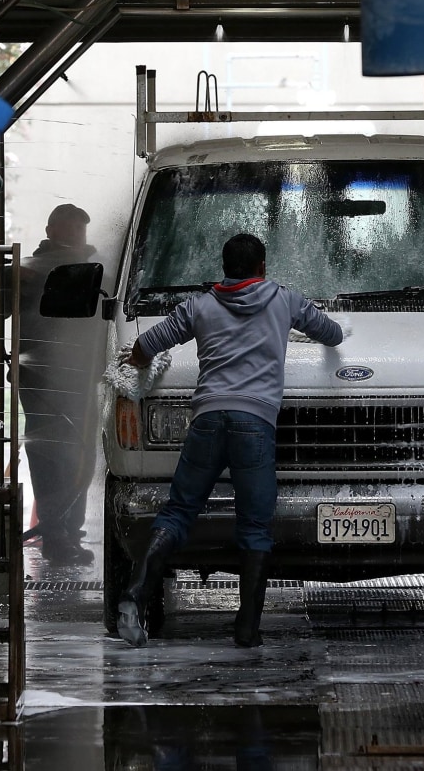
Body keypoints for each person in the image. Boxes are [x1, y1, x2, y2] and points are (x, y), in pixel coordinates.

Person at [116, 233, 343, 648]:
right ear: (262, 267)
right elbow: (331, 333)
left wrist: (134, 362)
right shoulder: (284, 300)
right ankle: (247, 629)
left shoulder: (200, 305)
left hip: (207, 421)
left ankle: (134, 599)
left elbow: (147, 344)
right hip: (254, 425)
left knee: (179, 511)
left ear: (224, 266)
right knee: (255, 526)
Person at [17, 203, 104, 566]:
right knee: (52, 454)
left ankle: (69, 530)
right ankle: (56, 533)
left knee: (82, 453)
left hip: (84, 375)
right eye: (66, 232)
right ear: (50, 231)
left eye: (78, 233)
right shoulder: (30, 272)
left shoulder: (98, 269)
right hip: (41, 379)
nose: (73, 239)